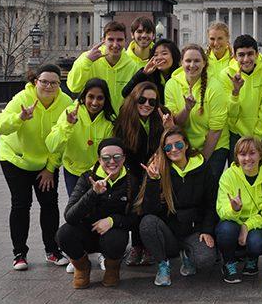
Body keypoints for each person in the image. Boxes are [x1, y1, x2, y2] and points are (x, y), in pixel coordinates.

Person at [0, 63, 73, 271]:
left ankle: (52, 251)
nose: (48, 86)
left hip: (45, 162)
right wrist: (19, 118)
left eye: (54, 83)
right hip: (15, 159)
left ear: (59, 84)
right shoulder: (22, 98)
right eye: (44, 82)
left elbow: (64, 139)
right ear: (35, 81)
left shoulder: (66, 103)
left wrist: (50, 168)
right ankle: (19, 254)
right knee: (21, 204)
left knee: (49, 203)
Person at [137, 127, 218, 286]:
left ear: (186, 145)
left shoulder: (202, 166)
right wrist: (153, 181)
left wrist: (207, 230)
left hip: (194, 230)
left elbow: (211, 203)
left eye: (178, 145)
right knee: (147, 223)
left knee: (205, 259)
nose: (174, 150)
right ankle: (163, 264)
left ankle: (187, 255)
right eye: (168, 147)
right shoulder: (158, 168)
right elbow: (149, 211)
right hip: (170, 233)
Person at [56, 137, 139, 289]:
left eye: (117, 157)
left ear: (124, 158)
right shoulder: (87, 178)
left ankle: (112, 268)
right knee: (64, 234)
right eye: (106, 158)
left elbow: (136, 218)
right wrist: (93, 193)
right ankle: (82, 267)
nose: (112, 162)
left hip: (111, 235)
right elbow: (70, 216)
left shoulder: (131, 181)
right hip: (86, 232)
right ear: (99, 159)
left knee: (116, 239)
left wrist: (112, 221)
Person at [114, 82, 173, 267]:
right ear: (135, 99)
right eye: (142, 99)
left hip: (155, 171)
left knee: (151, 207)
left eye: (152, 102)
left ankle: (149, 247)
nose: (147, 104)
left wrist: (168, 128)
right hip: (133, 171)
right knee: (134, 207)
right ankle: (136, 246)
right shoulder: (125, 118)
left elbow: (171, 143)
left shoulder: (161, 114)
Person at [215, 136, 262, 283]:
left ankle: (252, 258)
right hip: (232, 221)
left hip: (256, 224)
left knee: (258, 243)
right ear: (236, 157)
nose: (247, 158)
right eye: (242, 154)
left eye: (252, 153)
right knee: (225, 230)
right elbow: (221, 210)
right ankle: (229, 263)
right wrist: (234, 209)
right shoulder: (228, 176)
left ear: (260, 154)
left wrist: (247, 226)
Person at [164, 44, 229, 178]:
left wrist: (202, 161)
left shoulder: (215, 86)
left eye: (197, 61)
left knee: (208, 187)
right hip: (185, 146)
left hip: (214, 146)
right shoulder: (171, 84)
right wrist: (187, 109)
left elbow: (216, 129)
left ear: (204, 63)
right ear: (181, 62)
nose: (192, 65)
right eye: (188, 61)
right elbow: (175, 124)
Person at [46, 78, 117, 197]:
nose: (94, 103)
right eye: (91, 97)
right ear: (84, 97)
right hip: (73, 172)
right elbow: (52, 145)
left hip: (98, 173)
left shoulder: (110, 121)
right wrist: (68, 125)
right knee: (76, 211)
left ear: (105, 100)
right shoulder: (70, 113)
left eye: (100, 98)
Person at [220, 34, 262, 168]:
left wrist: (255, 139)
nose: (246, 59)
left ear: (257, 54)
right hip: (236, 135)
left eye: (250, 54)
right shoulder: (226, 75)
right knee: (237, 179)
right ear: (234, 56)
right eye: (241, 55)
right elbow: (231, 114)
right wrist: (235, 93)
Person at [67, 21, 139, 112]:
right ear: (103, 40)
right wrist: (87, 62)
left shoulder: (132, 66)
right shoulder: (87, 59)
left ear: (126, 41)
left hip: (119, 121)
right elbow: (74, 87)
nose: (115, 44)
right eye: (111, 39)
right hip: (93, 121)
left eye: (119, 40)